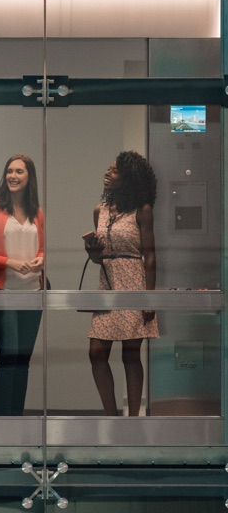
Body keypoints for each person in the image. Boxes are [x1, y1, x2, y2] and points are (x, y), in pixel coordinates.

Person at [84, 150, 158, 416]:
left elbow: (149, 255)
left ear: (128, 179)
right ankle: (112, 417)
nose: (107, 173)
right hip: (107, 283)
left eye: (114, 170)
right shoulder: (100, 210)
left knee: (130, 354)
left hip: (134, 280)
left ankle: (133, 421)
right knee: (96, 353)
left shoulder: (142, 210)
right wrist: (91, 249)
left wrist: (150, 298)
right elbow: (97, 259)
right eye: (108, 168)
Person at [0, 154, 45, 416]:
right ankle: (3, 422)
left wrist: (40, 260)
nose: (13, 176)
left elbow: (43, 250)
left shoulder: (37, 212)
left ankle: (16, 420)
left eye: (19, 172)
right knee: (8, 357)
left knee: (23, 360)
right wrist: (8, 262)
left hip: (33, 294)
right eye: (9, 171)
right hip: (3, 293)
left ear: (29, 177)